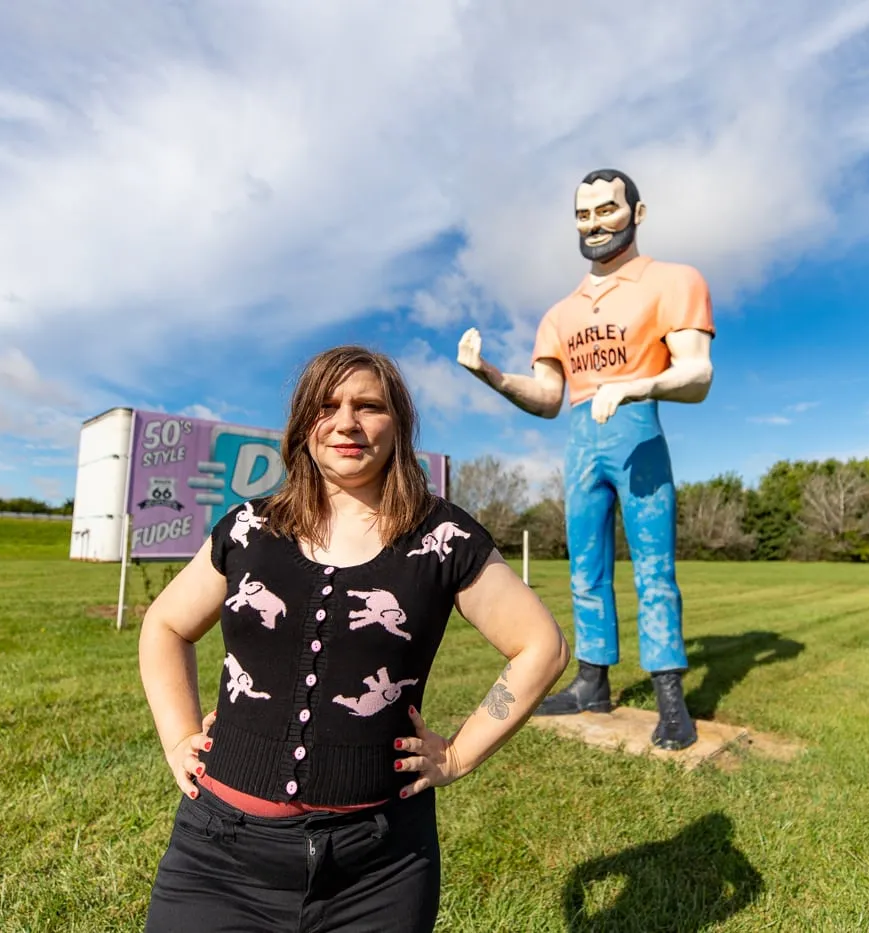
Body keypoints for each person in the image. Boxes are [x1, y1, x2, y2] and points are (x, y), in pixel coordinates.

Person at [138, 345, 570, 932]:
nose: (346, 422)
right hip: (219, 856)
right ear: (302, 423)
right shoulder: (248, 528)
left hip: (382, 868)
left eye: (369, 406)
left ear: (398, 425)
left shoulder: (443, 537)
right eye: (327, 405)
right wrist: (178, 737)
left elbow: (541, 646)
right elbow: (165, 625)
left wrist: (461, 752)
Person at [456, 168, 714, 751]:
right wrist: (491, 374)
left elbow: (698, 373)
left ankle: (670, 697)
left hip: (637, 435)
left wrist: (635, 387)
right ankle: (591, 682)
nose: (594, 223)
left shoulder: (673, 281)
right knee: (585, 567)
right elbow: (548, 397)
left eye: (607, 210)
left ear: (637, 214)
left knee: (654, 568)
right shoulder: (561, 311)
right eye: (583, 213)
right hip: (581, 441)